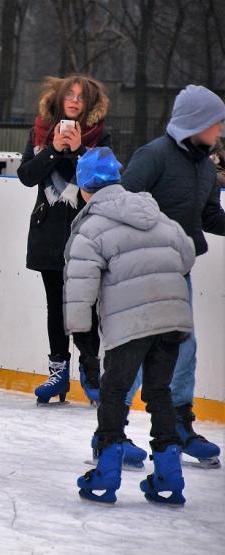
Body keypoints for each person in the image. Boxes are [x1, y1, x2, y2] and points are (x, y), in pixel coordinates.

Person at [65, 147, 195, 505]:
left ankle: (106, 474)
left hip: (131, 323)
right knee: (159, 392)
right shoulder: (158, 215)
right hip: (173, 320)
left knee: (113, 392)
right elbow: (185, 255)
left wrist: (82, 340)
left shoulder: (91, 227)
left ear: (84, 188)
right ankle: (170, 476)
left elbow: (80, 289)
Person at [119, 85, 225, 468]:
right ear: (197, 122)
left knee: (184, 349)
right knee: (132, 350)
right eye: (216, 122)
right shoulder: (153, 156)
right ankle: (111, 434)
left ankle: (180, 425)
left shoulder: (204, 167)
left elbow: (207, 215)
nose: (221, 129)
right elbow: (121, 205)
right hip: (142, 272)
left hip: (180, 272)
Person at [17, 74, 110, 406]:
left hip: (86, 234)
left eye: (81, 97)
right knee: (55, 304)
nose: (74, 101)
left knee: (84, 302)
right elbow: (27, 176)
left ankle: (89, 368)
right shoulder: (41, 132)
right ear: (57, 99)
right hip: (48, 235)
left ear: (89, 104)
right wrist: (54, 151)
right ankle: (58, 372)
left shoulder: (100, 137)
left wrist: (80, 149)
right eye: (69, 95)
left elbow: (105, 181)